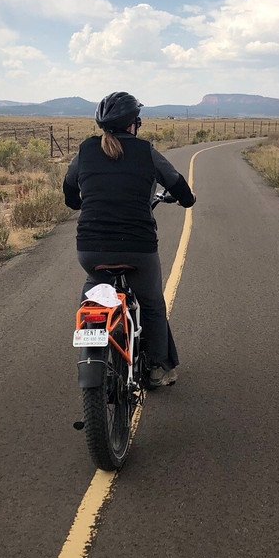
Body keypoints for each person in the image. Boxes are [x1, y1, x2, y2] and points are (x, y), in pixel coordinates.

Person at [62, 91, 196, 387]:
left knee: (93, 288)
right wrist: (188, 199)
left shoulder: (85, 150)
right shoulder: (146, 151)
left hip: (90, 248)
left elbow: (69, 188)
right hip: (138, 248)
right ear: (134, 123)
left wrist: (79, 205)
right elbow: (178, 184)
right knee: (151, 305)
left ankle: (92, 335)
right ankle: (159, 368)